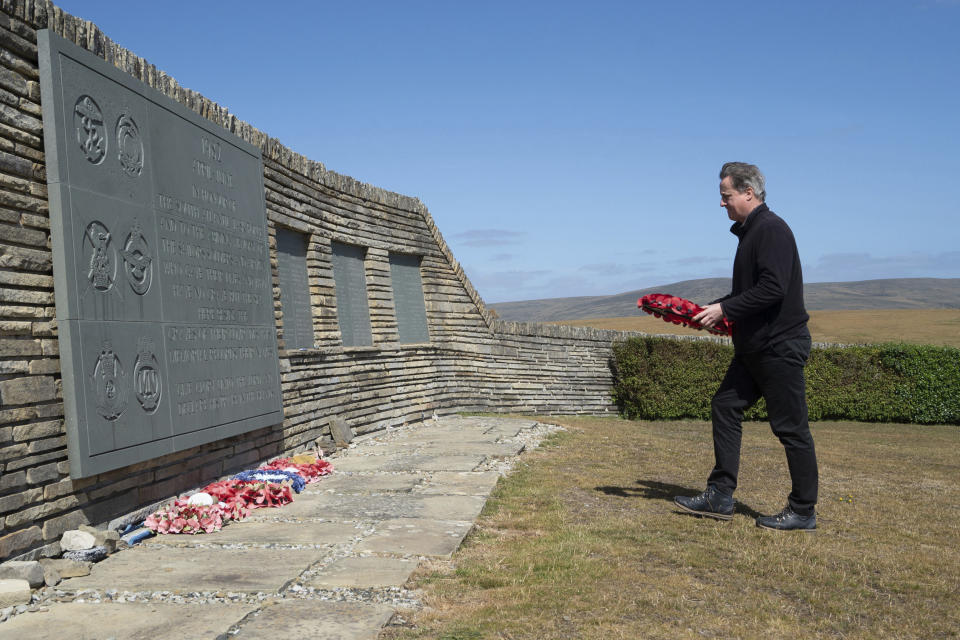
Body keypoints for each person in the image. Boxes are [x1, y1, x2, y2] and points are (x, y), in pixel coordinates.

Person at [674, 162, 818, 531]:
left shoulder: (771, 230)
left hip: (779, 345)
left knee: (790, 428)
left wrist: (725, 308)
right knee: (725, 405)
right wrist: (712, 312)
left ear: (748, 193)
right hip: (755, 347)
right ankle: (720, 495)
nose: (722, 204)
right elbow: (747, 295)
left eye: (726, 196)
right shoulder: (751, 234)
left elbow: (774, 289)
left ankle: (803, 510)